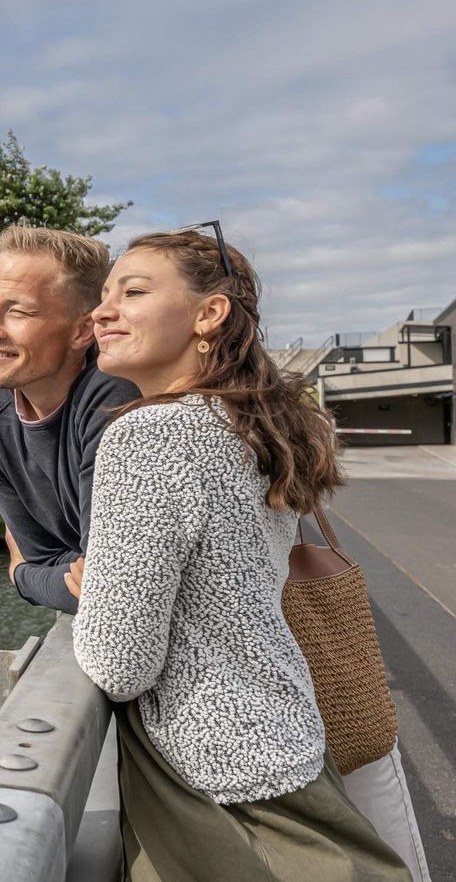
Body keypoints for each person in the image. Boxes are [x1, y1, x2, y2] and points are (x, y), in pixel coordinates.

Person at [69, 228, 415, 879]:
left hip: (211, 778)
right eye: (103, 295)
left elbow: (119, 665)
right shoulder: (251, 422)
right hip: (287, 741)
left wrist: (98, 598)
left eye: (133, 291)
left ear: (209, 313)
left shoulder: (148, 434)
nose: (101, 311)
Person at [0, 226, 140, 615]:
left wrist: (21, 576)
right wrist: (44, 570)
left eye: (18, 311)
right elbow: (45, 558)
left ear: (82, 331)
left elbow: (109, 589)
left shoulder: (115, 396)